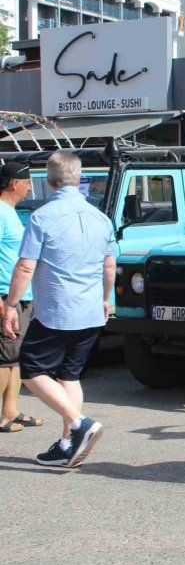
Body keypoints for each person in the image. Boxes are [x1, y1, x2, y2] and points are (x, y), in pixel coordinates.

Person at [1, 152, 115, 468]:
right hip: (91, 310)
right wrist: (107, 299)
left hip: (56, 310)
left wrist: (10, 305)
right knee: (69, 374)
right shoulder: (101, 217)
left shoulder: (42, 217)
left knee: (32, 369)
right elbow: (109, 266)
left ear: (49, 181)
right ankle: (68, 444)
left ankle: (79, 424)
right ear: (78, 179)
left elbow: (25, 267)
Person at [0, 162, 42, 434]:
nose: (30, 187)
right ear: (14, 183)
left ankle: (10, 410)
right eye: (27, 181)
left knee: (14, 356)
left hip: (19, 295)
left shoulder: (10, 212)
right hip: (5, 296)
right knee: (4, 358)